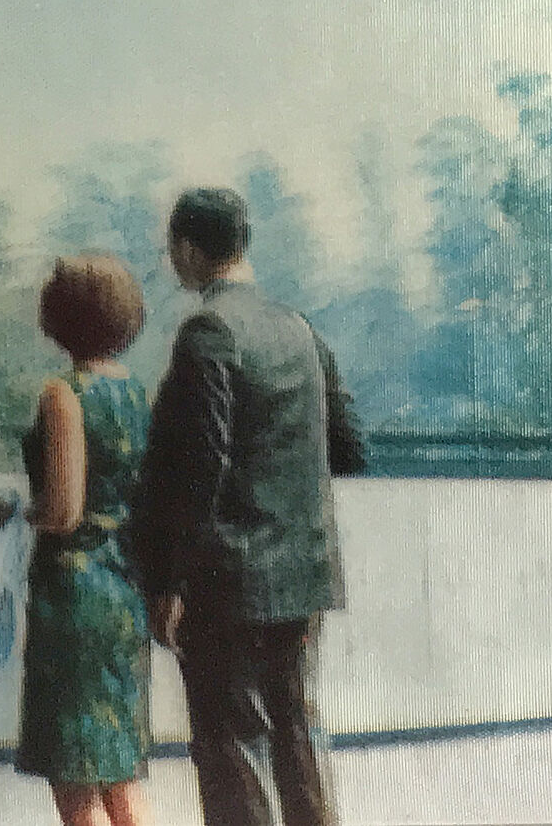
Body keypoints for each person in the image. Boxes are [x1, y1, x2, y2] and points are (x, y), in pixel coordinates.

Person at [130, 188, 366, 826]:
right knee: (295, 733)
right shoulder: (300, 328)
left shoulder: (208, 332)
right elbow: (349, 449)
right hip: (304, 577)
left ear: (186, 249)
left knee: (230, 744)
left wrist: (169, 581)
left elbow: (196, 469)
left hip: (227, 583)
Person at [18, 253, 156, 826]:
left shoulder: (63, 393)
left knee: (73, 770)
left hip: (74, 591)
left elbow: (64, 511)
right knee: (118, 767)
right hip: (126, 587)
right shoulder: (139, 394)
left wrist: (23, 514)